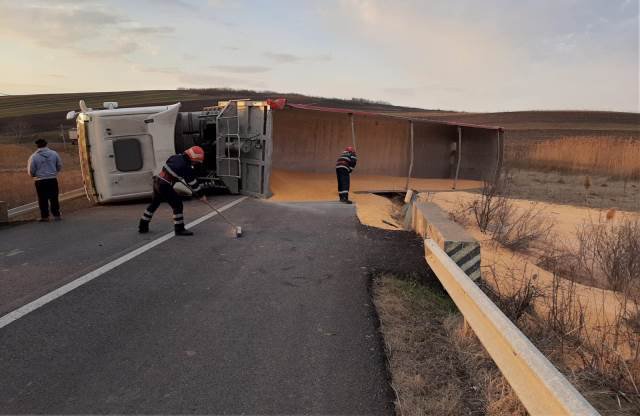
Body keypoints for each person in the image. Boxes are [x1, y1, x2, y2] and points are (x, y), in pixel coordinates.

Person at [138, 146, 206, 236]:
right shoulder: (186, 167)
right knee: (177, 205)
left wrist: (177, 176)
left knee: (154, 204)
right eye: (196, 161)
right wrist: (201, 195)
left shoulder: (176, 157)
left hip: (157, 181)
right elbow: (192, 183)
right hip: (164, 185)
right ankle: (179, 229)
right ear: (193, 158)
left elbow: (169, 167)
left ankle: (142, 226)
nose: (196, 163)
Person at [27, 139, 63, 221]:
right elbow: (59, 165)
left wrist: (34, 176)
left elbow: (31, 170)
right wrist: (54, 172)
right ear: (46, 144)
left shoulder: (34, 156)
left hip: (40, 181)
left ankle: (45, 216)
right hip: (52, 179)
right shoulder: (54, 154)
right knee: (54, 197)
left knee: (42, 199)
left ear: (37, 146)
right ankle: (57, 215)